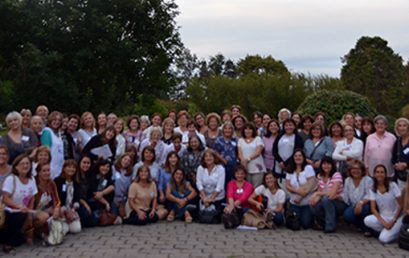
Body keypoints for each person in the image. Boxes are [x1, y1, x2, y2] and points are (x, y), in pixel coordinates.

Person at [1, 154, 37, 253]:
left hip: (24, 211)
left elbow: (32, 198)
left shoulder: (32, 179)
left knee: (32, 216)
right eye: (22, 164)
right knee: (18, 216)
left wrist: (29, 213)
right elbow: (5, 198)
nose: (25, 166)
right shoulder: (11, 179)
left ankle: (17, 237)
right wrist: (19, 206)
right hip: (9, 210)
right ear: (16, 167)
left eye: (27, 163)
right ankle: (9, 243)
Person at [364, 165, 403, 244]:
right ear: (374, 174)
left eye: (382, 172)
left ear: (385, 174)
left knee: (383, 239)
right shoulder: (372, 188)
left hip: (396, 217)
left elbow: (401, 205)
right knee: (367, 220)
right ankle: (387, 229)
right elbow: (373, 209)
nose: (379, 174)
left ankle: (396, 231)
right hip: (384, 216)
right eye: (377, 172)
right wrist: (384, 223)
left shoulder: (393, 185)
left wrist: (393, 221)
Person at [310, 157, 346, 233]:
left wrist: (317, 193)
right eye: (324, 164)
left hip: (339, 202)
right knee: (312, 204)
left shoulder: (337, 175)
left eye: (328, 164)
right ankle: (324, 222)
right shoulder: (319, 176)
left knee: (326, 200)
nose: (326, 166)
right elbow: (320, 191)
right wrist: (314, 200)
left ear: (332, 165)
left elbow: (332, 194)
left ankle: (330, 226)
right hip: (325, 201)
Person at [285, 149, 315, 229]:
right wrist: (298, 191)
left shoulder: (308, 168)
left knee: (306, 224)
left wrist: (302, 193)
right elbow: (287, 185)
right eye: (296, 156)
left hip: (306, 204)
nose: (298, 157)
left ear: (303, 157)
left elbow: (310, 184)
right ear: (293, 158)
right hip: (294, 203)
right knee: (294, 225)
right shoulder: (290, 169)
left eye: (300, 155)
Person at [342, 159, 373, 236]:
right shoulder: (347, 180)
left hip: (365, 204)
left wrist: (361, 203)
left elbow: (370, 195)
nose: (355, 171)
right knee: (347, 215)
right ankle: (360, 225)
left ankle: (367, 228)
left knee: (366, 208)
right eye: (353, 169)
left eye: (358, 169)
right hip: (353, 206)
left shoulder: (367, 180)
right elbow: (345, 197)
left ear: (362, 170)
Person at [33, 163, 63, 240]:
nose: (47, 173)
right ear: (38, 172)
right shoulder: (34, 184)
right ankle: (34, 231)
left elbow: (57, 199)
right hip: (34, 210)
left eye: (48, 170)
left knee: (60, 210)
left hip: (46, 208)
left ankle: (51, 230)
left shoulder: (51, 183)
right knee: (45, 216)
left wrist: (56, 207)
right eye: (44, 171)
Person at [86, 159, 120, 225]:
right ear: (99, 166)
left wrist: (102, 193)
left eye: (107, 166)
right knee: (93, 220)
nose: (105, 168)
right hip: (94, 202)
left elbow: (112, 187)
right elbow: (94, 194)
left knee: (114, 211)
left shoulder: (107, 178)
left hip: (107, 203)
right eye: (103, 166)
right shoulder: (92, 176)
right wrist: (106, 203)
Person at [196, 149, 226, 223]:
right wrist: (204, 197)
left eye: (210, 156)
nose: (208, 158)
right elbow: (199, 183)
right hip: (204, 196)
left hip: (217, 197)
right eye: (206, 156)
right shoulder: (200, 168)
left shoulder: (220, 169)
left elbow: (220, 186)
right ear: (203, 158)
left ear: (215, 158)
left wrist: (211, 199)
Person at [54, 160, 82, 234]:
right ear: (64, 168)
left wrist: (72, 210)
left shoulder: (77, 182)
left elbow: (77, 199)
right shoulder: (58, 181)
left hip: (72, 210)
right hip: (62, 209)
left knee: (76, 229)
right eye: (69, 167)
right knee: (64, 230)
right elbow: (57, 198)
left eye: (73, 167)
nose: (71, 169)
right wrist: (65, 211)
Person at [272, 119, 303, 184]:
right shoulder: (280, 136)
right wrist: (280, 161)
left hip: (291, 165)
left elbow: (297, 152)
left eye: (290, 125)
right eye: (286, 125)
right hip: (278, 165)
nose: (288, 127)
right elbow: (274, 150)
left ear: (294, 126)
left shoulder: (297, 137)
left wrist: (285, 163)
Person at [238, 122, 266, 187]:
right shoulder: (240, 140)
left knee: (256, 189)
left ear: (253, 130)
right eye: (246, 129)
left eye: (250, 129)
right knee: (247, 188)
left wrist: (247, 159)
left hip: (257, 168)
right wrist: (243, 162)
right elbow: (240, 153)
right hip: (246, 168)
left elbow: (258, 152)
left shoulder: (258, 139)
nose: (248, 131)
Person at [41, 111, 65, 179]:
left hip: (59, 168)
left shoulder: (59, 134)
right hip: (50, 167)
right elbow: (45, 151)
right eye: (54, 120)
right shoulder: (47, 132)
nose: (57, 122)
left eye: (59, 120)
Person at [214, 121, 238, 186]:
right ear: (223, 130)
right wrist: (222, 159)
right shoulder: (218, 140)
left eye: (230, 128)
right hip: (222, 166)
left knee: (233, 185)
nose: (227, 130)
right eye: (226, 128)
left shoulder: (236, 140)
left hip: (234, 166)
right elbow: (215, 152)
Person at [76, 155, 97, 227]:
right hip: (78, 201)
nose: (86, 165)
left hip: (87, 200)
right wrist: (85, 204)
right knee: (89, 221)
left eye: (88, 163)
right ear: (79, 163)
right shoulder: (75, 176)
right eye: (84, 162)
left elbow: (91, 192)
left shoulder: (89, 175)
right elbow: (76, 195)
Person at [111, 153, 133, 218]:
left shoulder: (130, 173)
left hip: (123, 198)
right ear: (121, 159)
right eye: (125, 159)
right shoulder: (113, 168)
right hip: (113, 198)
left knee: (124, 216)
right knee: (113, 216)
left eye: (128, 161)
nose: (126, 161)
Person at [392, 118, 409, 190]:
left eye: (404, 126)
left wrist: (406, 164)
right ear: (397, 128)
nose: (402, 128)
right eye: (400, 126)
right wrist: (396, 164)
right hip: (401, 177)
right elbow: (393, 158)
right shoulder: (397, 141)